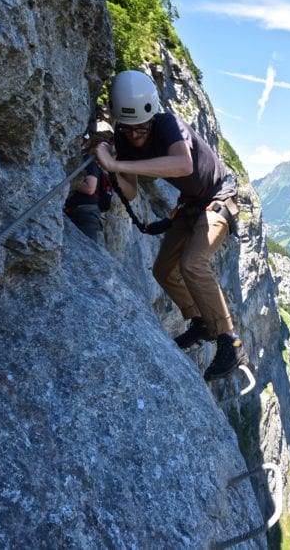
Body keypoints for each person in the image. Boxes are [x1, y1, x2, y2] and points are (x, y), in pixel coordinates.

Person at [94, 70, 245, 381]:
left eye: (140, 128)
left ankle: (230, 343)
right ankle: (201, 321)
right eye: (128, 129)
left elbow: (183, 164)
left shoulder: (167, 125)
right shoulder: (124, 138)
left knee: (193, 264)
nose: (135, 135)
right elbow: (132, 190)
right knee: (163, 269)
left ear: (151, 115)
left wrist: (115, 164)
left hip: (219, 197)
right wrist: (110, 167)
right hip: (191, 203)